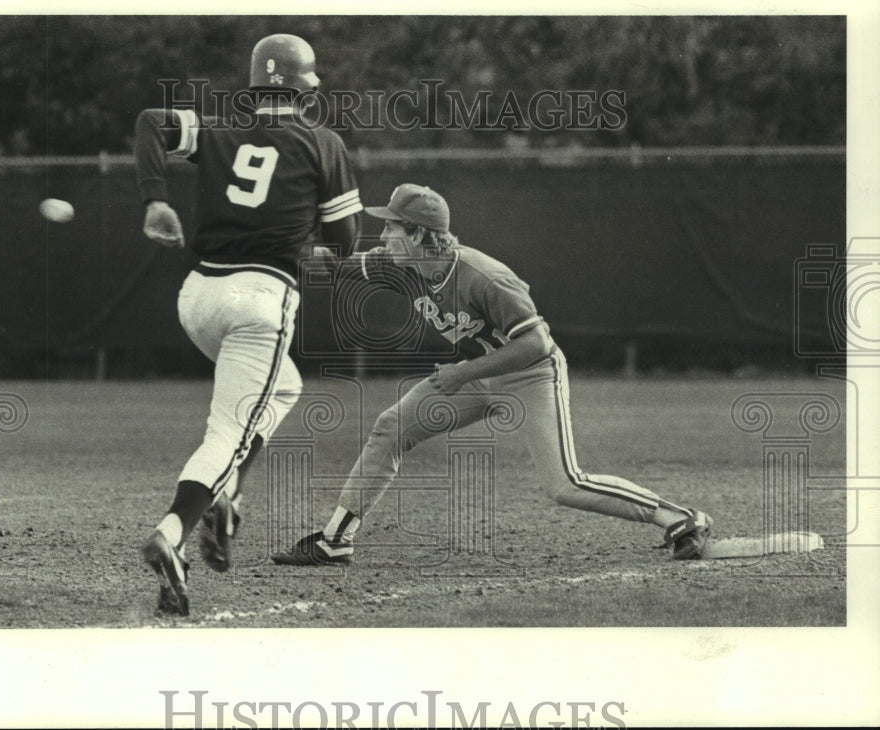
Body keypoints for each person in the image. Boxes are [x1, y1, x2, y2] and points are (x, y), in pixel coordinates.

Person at [271, 183, 713, 567]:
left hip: (529, 374)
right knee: (392, 427)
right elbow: (339, 265)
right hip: (473, 376)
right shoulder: (404, 266)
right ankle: (334, 542)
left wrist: (465, 371)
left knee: (565, 484)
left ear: (421, 234)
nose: (383, 234)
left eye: (393, 226)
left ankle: (679, 517)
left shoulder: (484, 277)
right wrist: (289, 246)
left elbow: (536, 343)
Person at [135, 33, 361, 616]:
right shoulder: (324, 142)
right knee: (226, 435)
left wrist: (156, 199)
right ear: (307, 89)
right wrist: (310, 236)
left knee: (284, 386)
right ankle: (173, 532)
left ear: (254, 86)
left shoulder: (216, 131)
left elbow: (149, 123)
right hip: (260, 303)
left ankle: (226, 499)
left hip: (199, 297)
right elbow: (343, 241)